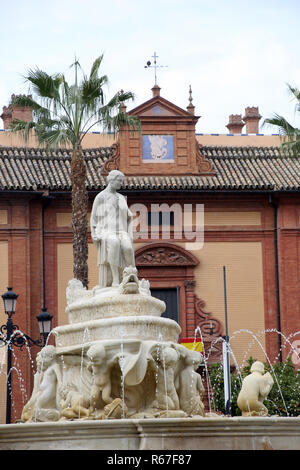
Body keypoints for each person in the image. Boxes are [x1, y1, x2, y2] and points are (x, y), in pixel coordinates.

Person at [90, 170, 135, 287]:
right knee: (114, 243)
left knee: (128, 248)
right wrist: (94, 233)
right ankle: (115, 279)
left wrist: (129, 230)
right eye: (119, 181)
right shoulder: (101, 197)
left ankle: (131, 275)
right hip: (107, 230)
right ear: (111, 180)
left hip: (121, 230)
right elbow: (93, 217)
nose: (121, 184)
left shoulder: (121, 197)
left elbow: (129, 216)